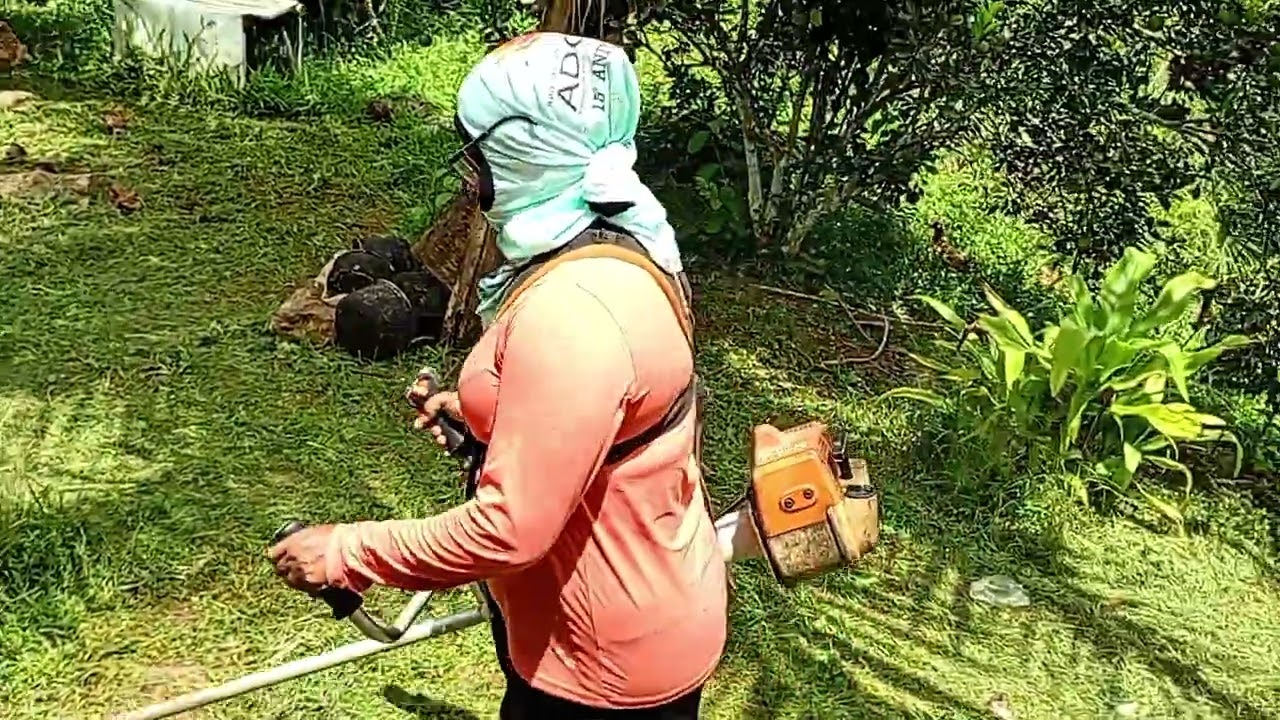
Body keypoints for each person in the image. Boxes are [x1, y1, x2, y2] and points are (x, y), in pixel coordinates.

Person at [268, 32, 730, 719]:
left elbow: (512, 530)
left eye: (476, 157)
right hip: (632, 614)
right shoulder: (623, 236)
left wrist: (346, 551)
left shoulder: (576, 310)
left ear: (520, 154)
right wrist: (488, 418)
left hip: (601, 668)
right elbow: (603, 419)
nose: (472, 180)